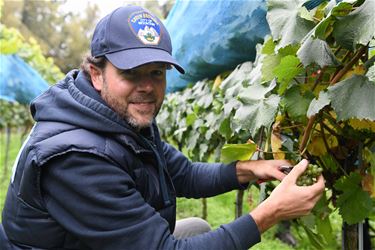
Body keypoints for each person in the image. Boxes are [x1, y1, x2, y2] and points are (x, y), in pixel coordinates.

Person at [0, 5, 324, 250]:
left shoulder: (120, 120)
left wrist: (252, 169)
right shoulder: (75, 156)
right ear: (96, 74)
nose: (147, 87)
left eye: (157, 73)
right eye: (131, 73)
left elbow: (183, 175)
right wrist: (270, 213)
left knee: (195, 226)